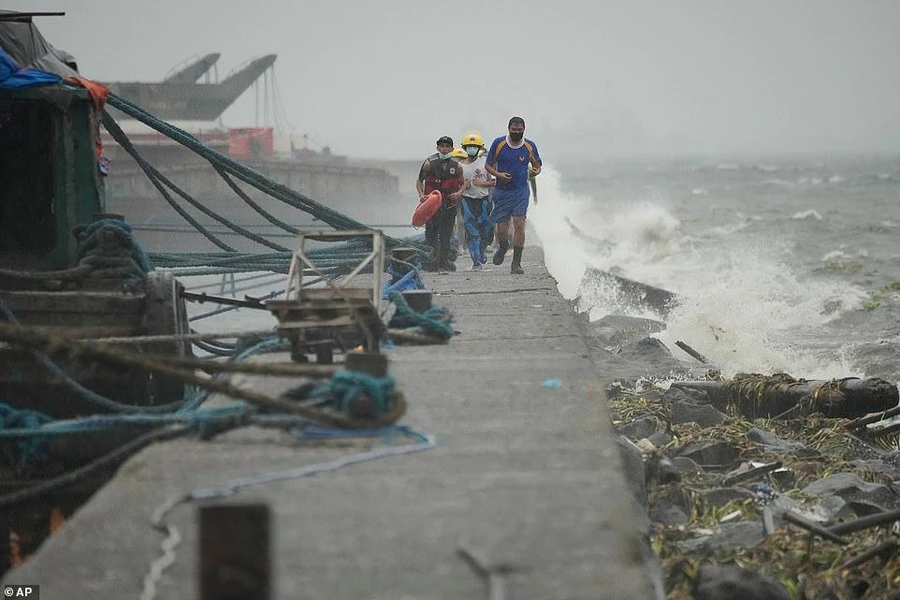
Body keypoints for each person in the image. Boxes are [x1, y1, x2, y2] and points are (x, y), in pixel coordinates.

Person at [484, 117, 542, 274]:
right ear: (508, 129)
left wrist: (535, 171)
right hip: (502, 192)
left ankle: (516, 263)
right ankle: (503, 247)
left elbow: (537, 166)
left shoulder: (529, 145)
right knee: (502, 229)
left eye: (519, 130)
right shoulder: (499, 143)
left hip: (521, 191)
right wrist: (498, 174)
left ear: (524, 129)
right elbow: (487, 165)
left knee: (519, 223)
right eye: (514, 130)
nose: (517, 132)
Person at [415, 135, 464, 271]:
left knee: (446, 235)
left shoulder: (457, 166)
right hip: (432, 205)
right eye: (442, 146)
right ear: (437, 147)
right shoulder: (429, 163)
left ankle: (442, 265)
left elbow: (463, 184)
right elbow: (419, 182)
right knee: (430, 234)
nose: (444, 149)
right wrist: (421, 195)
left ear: (452, 149)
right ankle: (435, 254)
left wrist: (459, 193)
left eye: (447, 147)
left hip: (449, 204)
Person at [457, 131, 496, 270]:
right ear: (464, 147)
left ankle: (481, 252)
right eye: (469, 146)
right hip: (467, 201)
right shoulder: (459, 166)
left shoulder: (486, 163)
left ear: (480, 148)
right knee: (472, 231)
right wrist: (463, 187)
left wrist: (482, 183)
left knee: (486, 229)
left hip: (484, 200)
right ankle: (476, 262)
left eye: (474, 146)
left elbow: (495, 182)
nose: (471, 149)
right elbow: (458, 186)